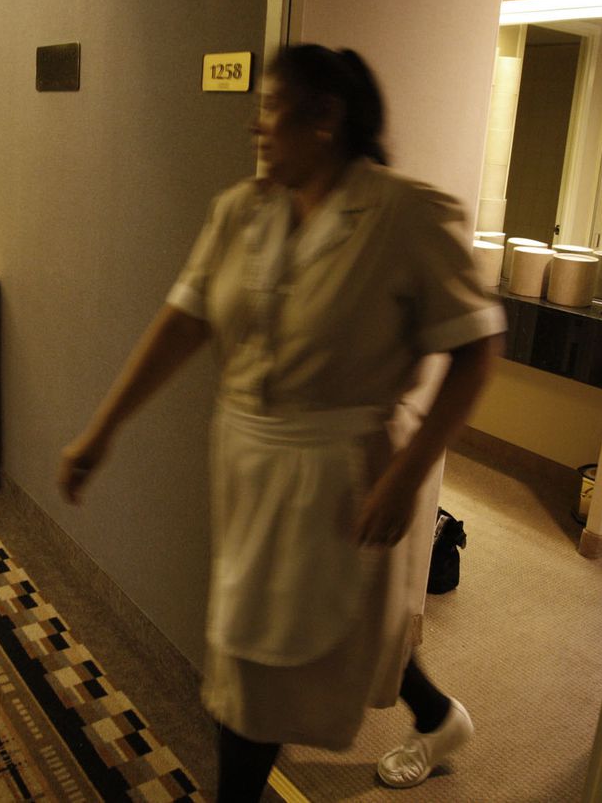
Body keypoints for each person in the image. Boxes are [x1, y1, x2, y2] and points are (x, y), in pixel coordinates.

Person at [57, 44, 505, 798]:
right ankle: (438, 716)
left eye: (269, 106)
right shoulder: (242, 211)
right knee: (337, 628)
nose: (255, 123)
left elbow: (479, 346)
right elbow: (183, 321)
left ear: (324, 118)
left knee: (260, 668)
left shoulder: (404, 215)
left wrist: (407, 475)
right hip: (246, 460)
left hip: (341, 472)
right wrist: (103, 430)